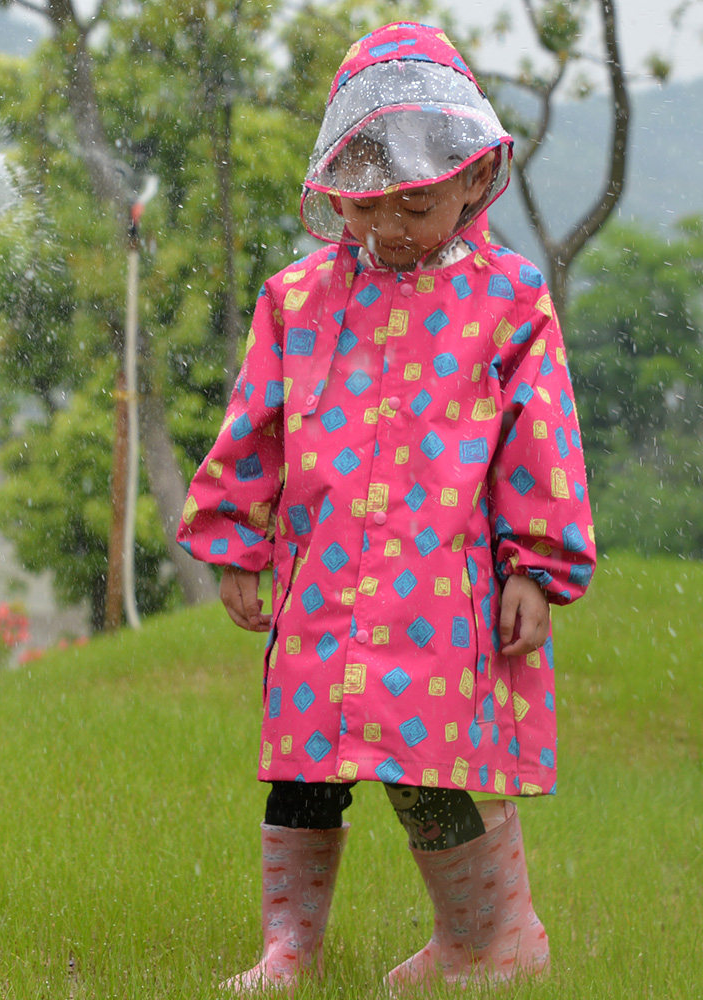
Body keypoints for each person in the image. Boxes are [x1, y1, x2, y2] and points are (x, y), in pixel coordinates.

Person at [176, 20, 596, 994]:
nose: (395, 227)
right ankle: (290, 948)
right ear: (338, 192)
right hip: (321, 582)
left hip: (438, 591)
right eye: (372, 203)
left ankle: (489, 940)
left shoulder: (506, 300)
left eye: (418, 201)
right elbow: (257, 427)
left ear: (470, 179)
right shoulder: (299, 300)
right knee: (303, 766)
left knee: (427, 765)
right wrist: (238, 543)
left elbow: (541, 440)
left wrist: (534, 565)